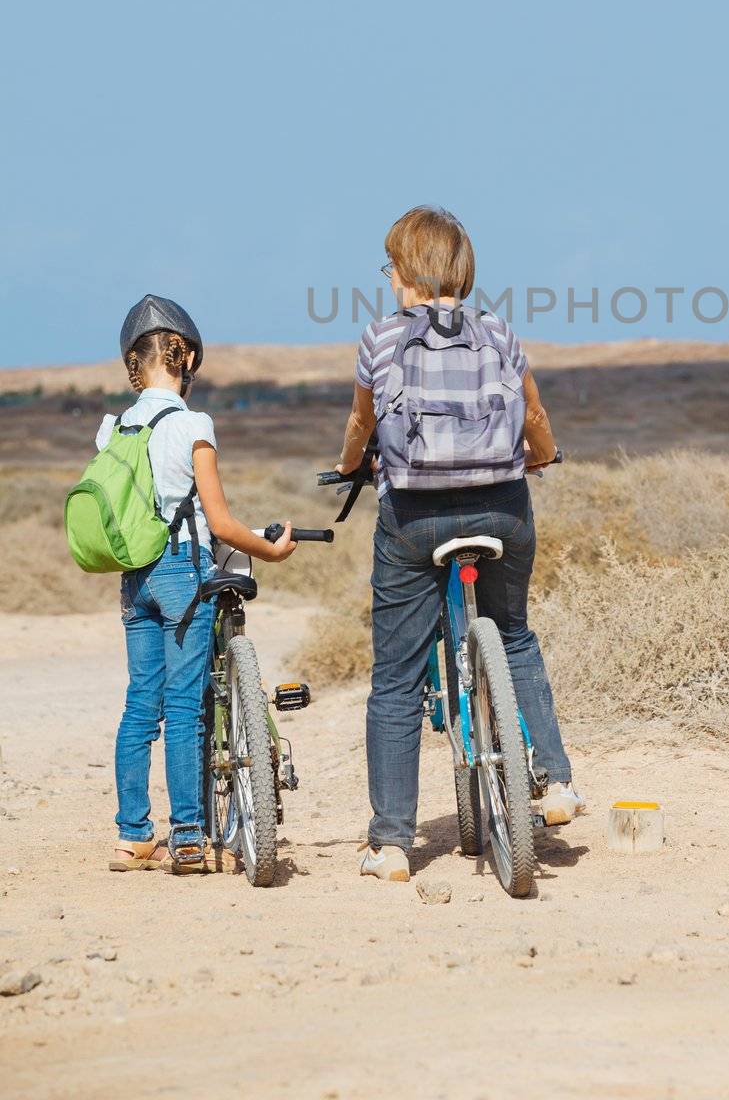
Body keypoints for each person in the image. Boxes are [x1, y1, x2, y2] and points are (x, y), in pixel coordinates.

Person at [336, 206, 582, 882]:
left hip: (414, 517)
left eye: (390, 267)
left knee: (393, 678)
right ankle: (555, 782)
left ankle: (390, 843)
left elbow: (362, 420)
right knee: (516, 635)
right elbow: (533, 414)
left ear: (409, 273)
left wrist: (348, 462)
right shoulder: (498, 331)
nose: (388, 280)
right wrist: (544, 456)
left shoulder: (381, 339)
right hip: (501, 509)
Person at [101, 295, 297, 875]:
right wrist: (272, 548)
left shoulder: (113, 428)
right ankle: (188, 836)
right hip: (182, 571)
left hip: (134, 579)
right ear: (182, 356)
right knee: (186, 708)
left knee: (141, 707)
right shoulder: (192, 425)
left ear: (135, 363)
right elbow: (221, 524)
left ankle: (133, 836)